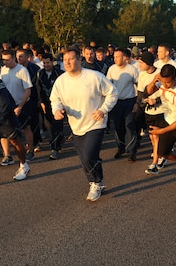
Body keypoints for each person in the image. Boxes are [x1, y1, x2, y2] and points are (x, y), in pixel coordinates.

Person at [50, 47, 118, 202]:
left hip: (96, 123)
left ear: (79, 59)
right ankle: (98, 181)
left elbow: (113, 92)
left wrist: (103, 110)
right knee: (85, 159)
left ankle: (94, 184)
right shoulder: (61, 81)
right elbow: (55, 99)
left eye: (71, 59)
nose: (67, 62)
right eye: (65, 59)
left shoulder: (94, 77)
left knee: (88, 156)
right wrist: (57, 110)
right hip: (76, 126)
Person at [0, 49, 34, 164]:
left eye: (7, 60)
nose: (5, 63)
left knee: (26, 128)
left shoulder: (22, 70)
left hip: (22, 104)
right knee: (4, 130)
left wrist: (20, 107)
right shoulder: (3, 70)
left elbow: (28, 90)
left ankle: (30, 151)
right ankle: (7, 155)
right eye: (3, 60)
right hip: (7, 105)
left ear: (14, 58)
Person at [106, 47, 139, 162]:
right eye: (114, 57)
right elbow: (108, 86)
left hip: (129, 101)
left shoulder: (132, 70)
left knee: (129, 125)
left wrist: (137, 102)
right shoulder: (111, 69)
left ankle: (132, 151)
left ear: (124, 58)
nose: (115, 59)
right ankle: (121, 147)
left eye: (118, 57)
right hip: (116, 102)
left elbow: (138, 85)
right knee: (118, 126)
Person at [36, 52, 65, 160]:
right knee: (49, 125)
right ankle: (58, 140)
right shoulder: (40, 73)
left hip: (58, 103)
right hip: (46, 103)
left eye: (48, 62)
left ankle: (55, 149)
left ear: (52, 62)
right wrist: (41, 101)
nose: (46, 65)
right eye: (44, 63)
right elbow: (38, 87)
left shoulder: (60, 73)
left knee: (57, 125)